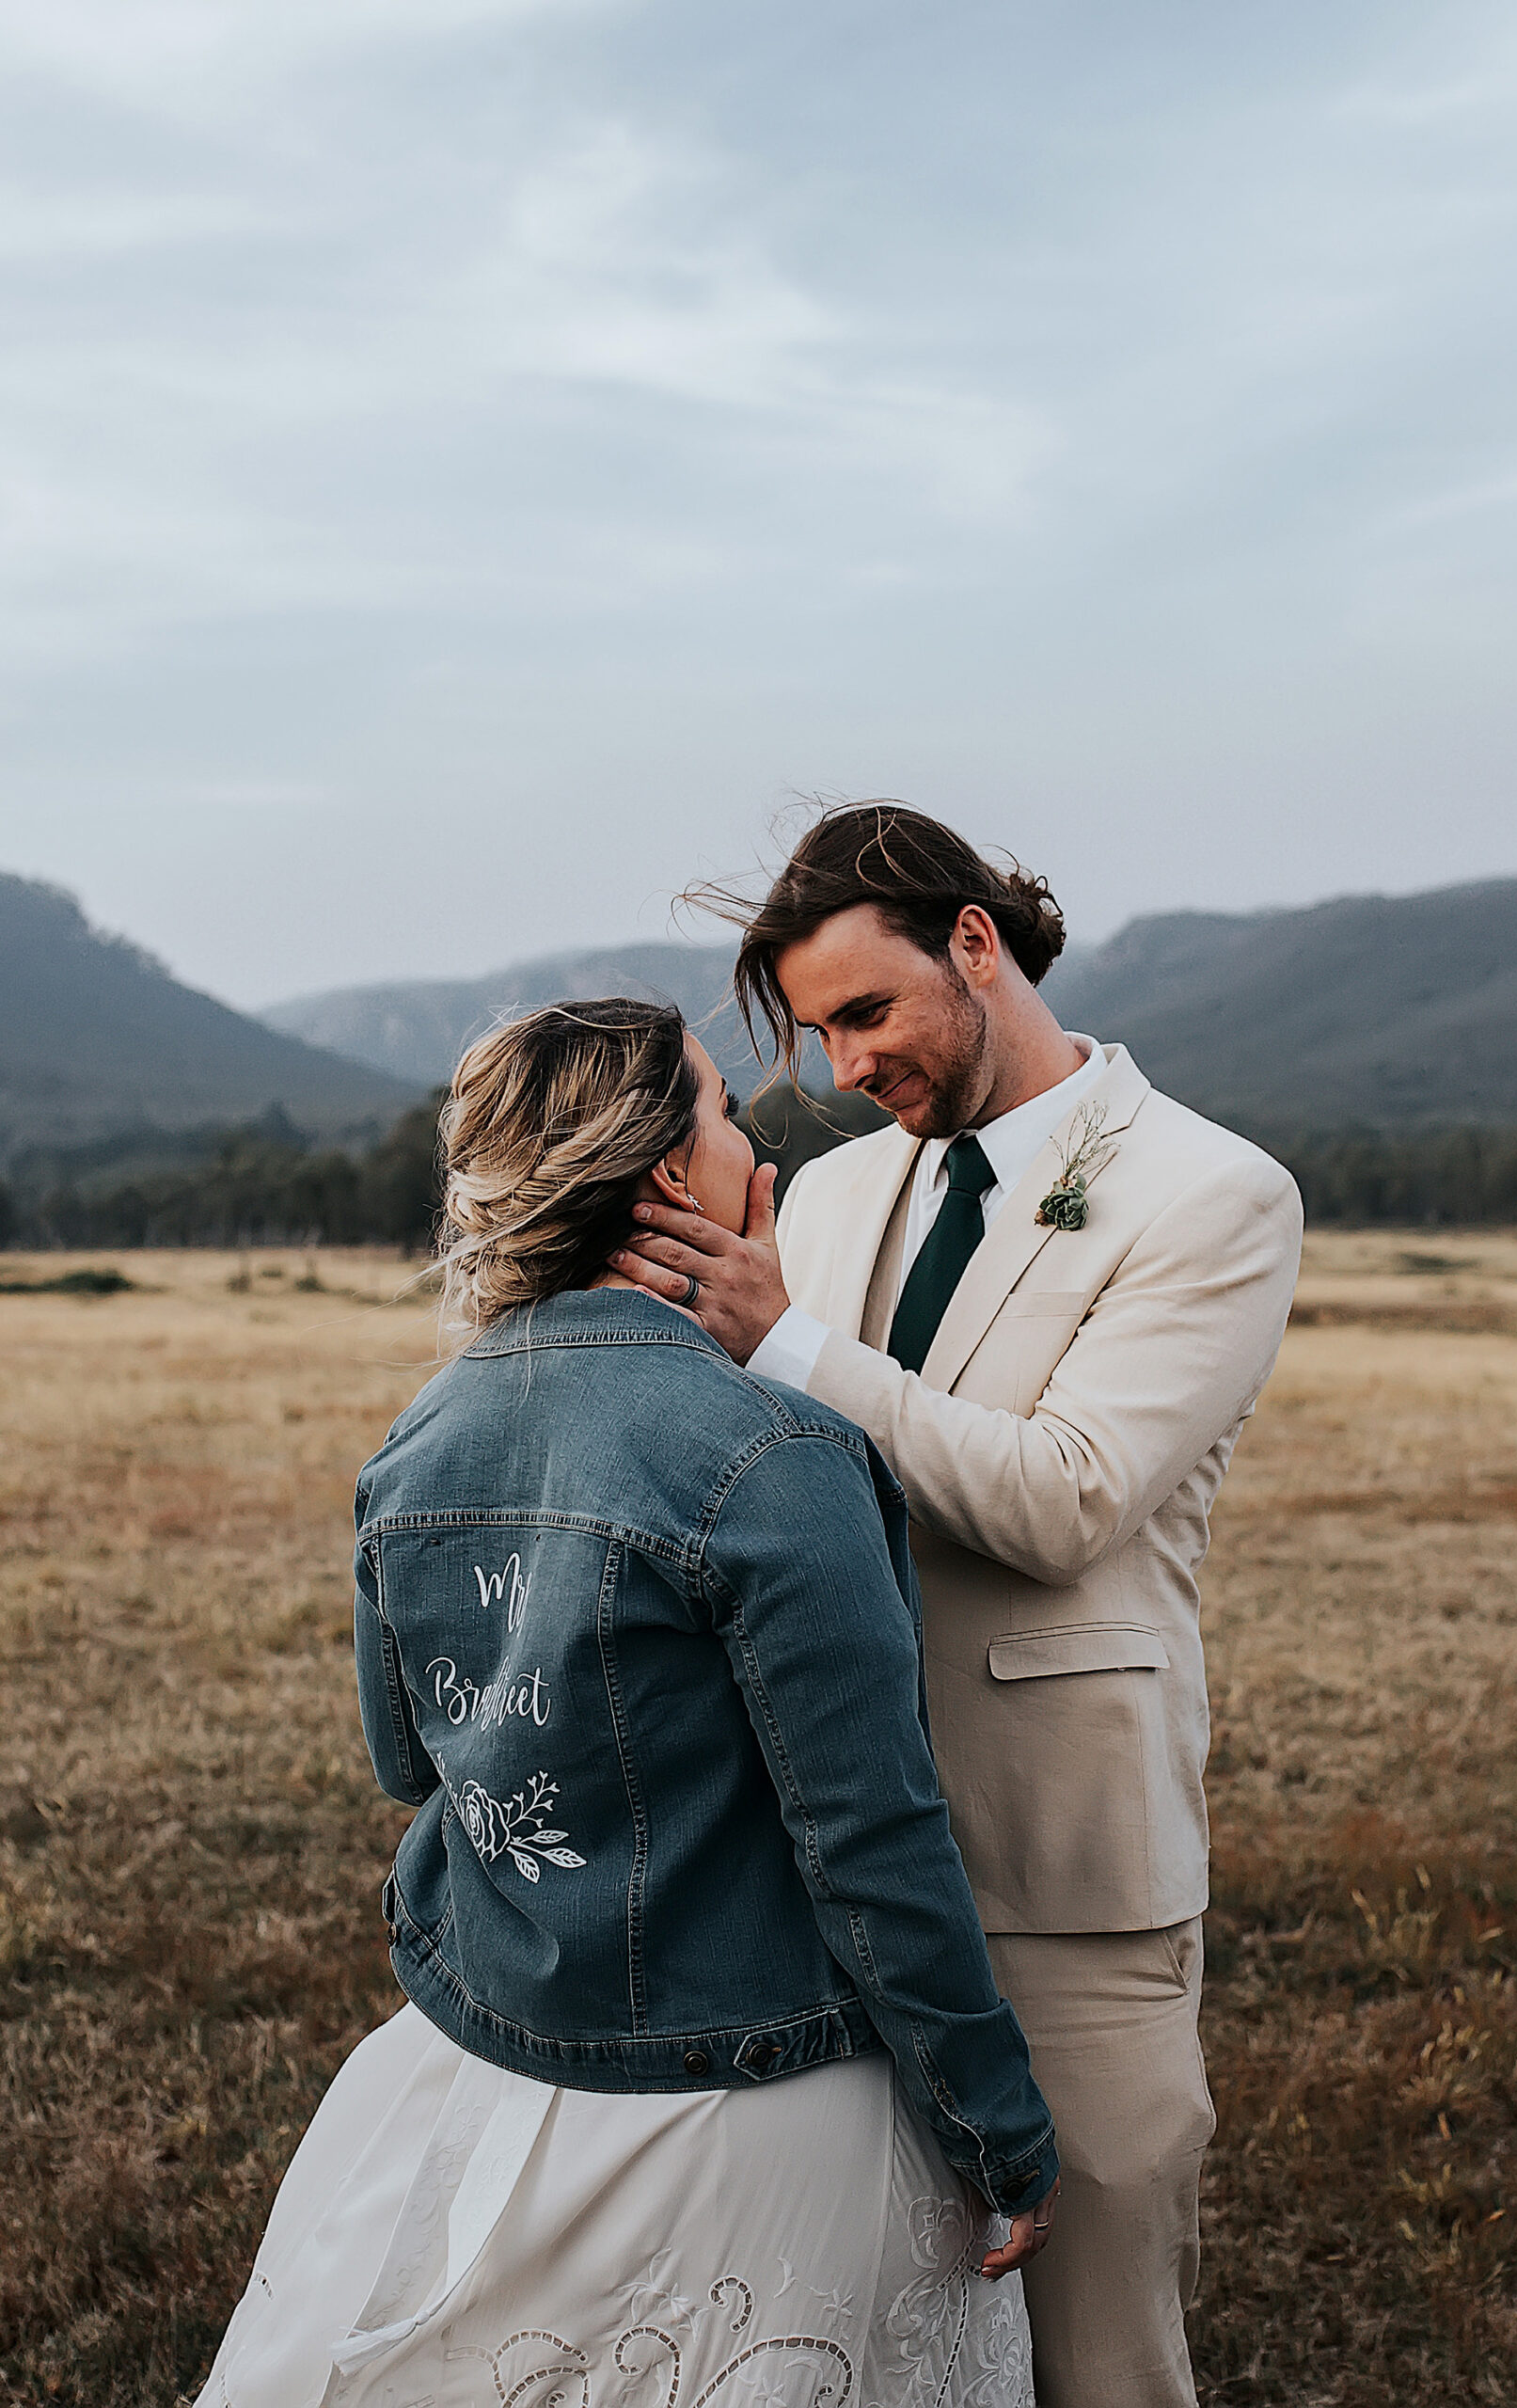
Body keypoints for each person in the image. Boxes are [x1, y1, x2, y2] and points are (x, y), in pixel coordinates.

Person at [195, 997, 1059, 2408]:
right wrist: (998, 2126)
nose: (753, 1146)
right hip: (751, 2104)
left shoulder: (422, 1435)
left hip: (488, 2051)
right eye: (723, 1112)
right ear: (665, 1174)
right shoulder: (779, 1453)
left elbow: (408, 1756)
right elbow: (874, 1839)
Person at [613, 807, 1305, 2408]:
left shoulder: (1214, 1193)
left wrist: (784, 1346)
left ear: (976, 946)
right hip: (816, 1859)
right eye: (815, 1033)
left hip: (1061, 1870)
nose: (846, 1066)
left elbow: (1066, 1498)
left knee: (1098, 2351)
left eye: (869, 1011)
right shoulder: (838, 1194)